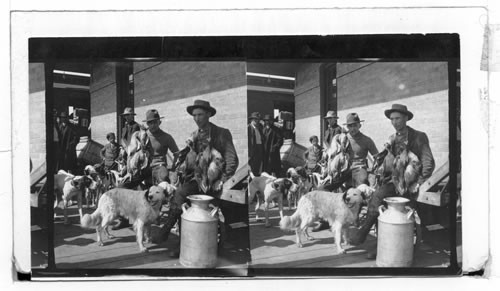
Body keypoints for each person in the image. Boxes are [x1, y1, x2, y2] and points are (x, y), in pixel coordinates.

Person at [349, 104, 435, 259]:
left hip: (411, 183)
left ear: (406, 118)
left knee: (381, 197)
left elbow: (428, 162)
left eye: (398, 118)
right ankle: (379, 243)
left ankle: (368, 236)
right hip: (396, 182)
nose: (394, 122)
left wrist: (420, 182)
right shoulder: (393, 139)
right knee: (377, 196)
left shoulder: (418, 136)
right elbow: (389, 164)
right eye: (392, 119)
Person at [154, 100, 239, 257]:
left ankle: (217, 245)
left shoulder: (221, 133)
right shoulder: (193, 136)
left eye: (200, 115)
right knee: (180, 194)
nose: (197, 118)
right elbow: (186, 158)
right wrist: (177, 171)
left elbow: (232, 159)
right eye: (194, 116)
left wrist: (224, 179)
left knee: (219, 208)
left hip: (216, 181)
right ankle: (179, 241)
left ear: (208, 115)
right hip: (198, 180)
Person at [114, 109, 179, 230]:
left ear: (159, 122)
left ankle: (155, 216)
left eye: (155, 122)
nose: (152, 125)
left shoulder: (167, 137)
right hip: (142, 166)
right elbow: (131, 154)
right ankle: (123, 219)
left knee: (161, 183)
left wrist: (174, 168)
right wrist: (129, 171)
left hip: (159, 166)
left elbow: (177, 154)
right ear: (147, 124)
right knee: (122, 187)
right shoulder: (140, 135)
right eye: (150, 123)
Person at [313, 113, 378, 232]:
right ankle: (326, 220)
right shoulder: (342, 138)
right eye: (349, 126)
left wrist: (373, 171)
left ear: (359, 125)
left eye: (354, 125)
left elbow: (377, 157)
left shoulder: (367, 140)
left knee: (359, 191)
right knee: (322, 188)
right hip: (343, 168)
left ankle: (355, 219)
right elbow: (332, 153)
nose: (352, 128)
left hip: (359, 168)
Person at [248, 112, 264, 176]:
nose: (257, 121)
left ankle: (257, 177)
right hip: (253, 149)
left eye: (258, 120)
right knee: (252, 166)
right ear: (251, 120)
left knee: (258, 164)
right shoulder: (249, 128)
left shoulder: (259, 128)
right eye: (255, 120)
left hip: (259, 148)